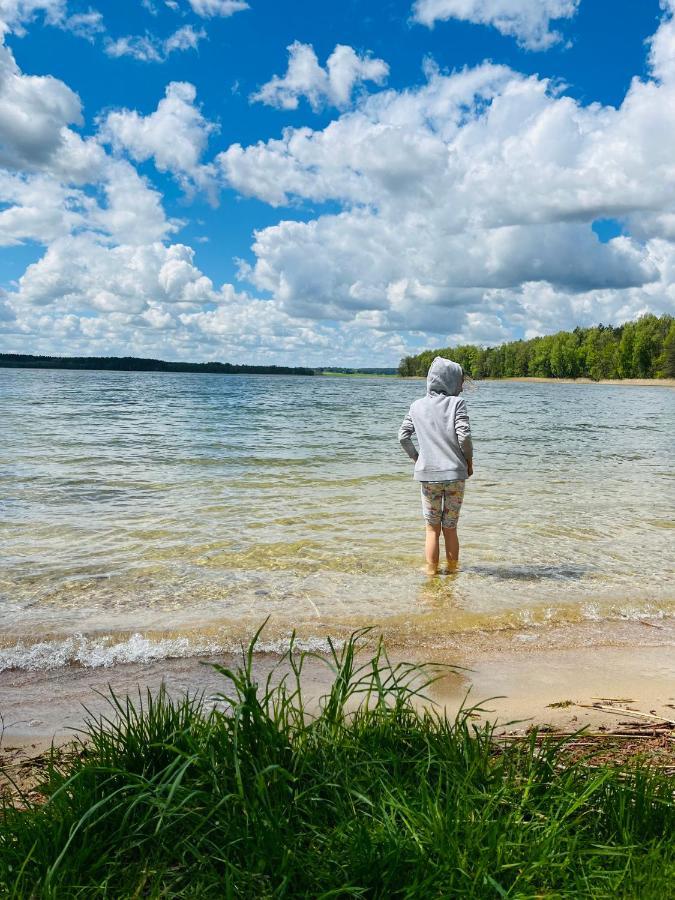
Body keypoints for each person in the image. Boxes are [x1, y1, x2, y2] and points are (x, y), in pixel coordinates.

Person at [398, 357, 473, 575]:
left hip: (428, 476)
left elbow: (402, 437)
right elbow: (464, 436)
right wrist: (468, 462)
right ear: (450, 380)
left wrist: (418, 459)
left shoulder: (416, 405)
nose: (461, 387)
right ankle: (452, 574)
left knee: (432, 529)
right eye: (460, 381)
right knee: (450, 528)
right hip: (455, 475)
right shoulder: (457, 404)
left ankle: (431, 574)